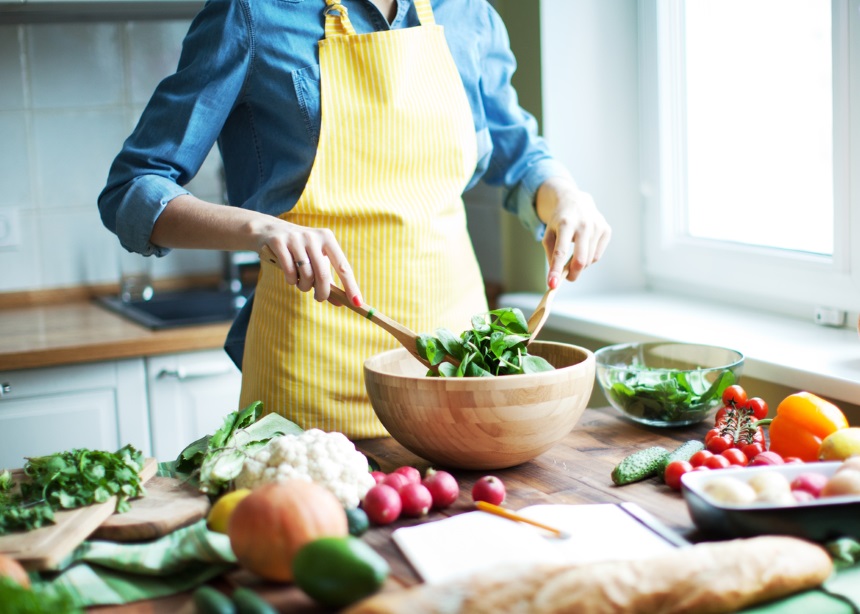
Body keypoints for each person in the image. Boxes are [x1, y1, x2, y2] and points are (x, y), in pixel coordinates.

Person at [98, 0, 611, 439]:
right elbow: (134, 188)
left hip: (457, 369)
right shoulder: (252, 13)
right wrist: (259, 229)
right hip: (311, 375)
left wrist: (564, 196)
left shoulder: (466, 11)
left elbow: (518, 153)